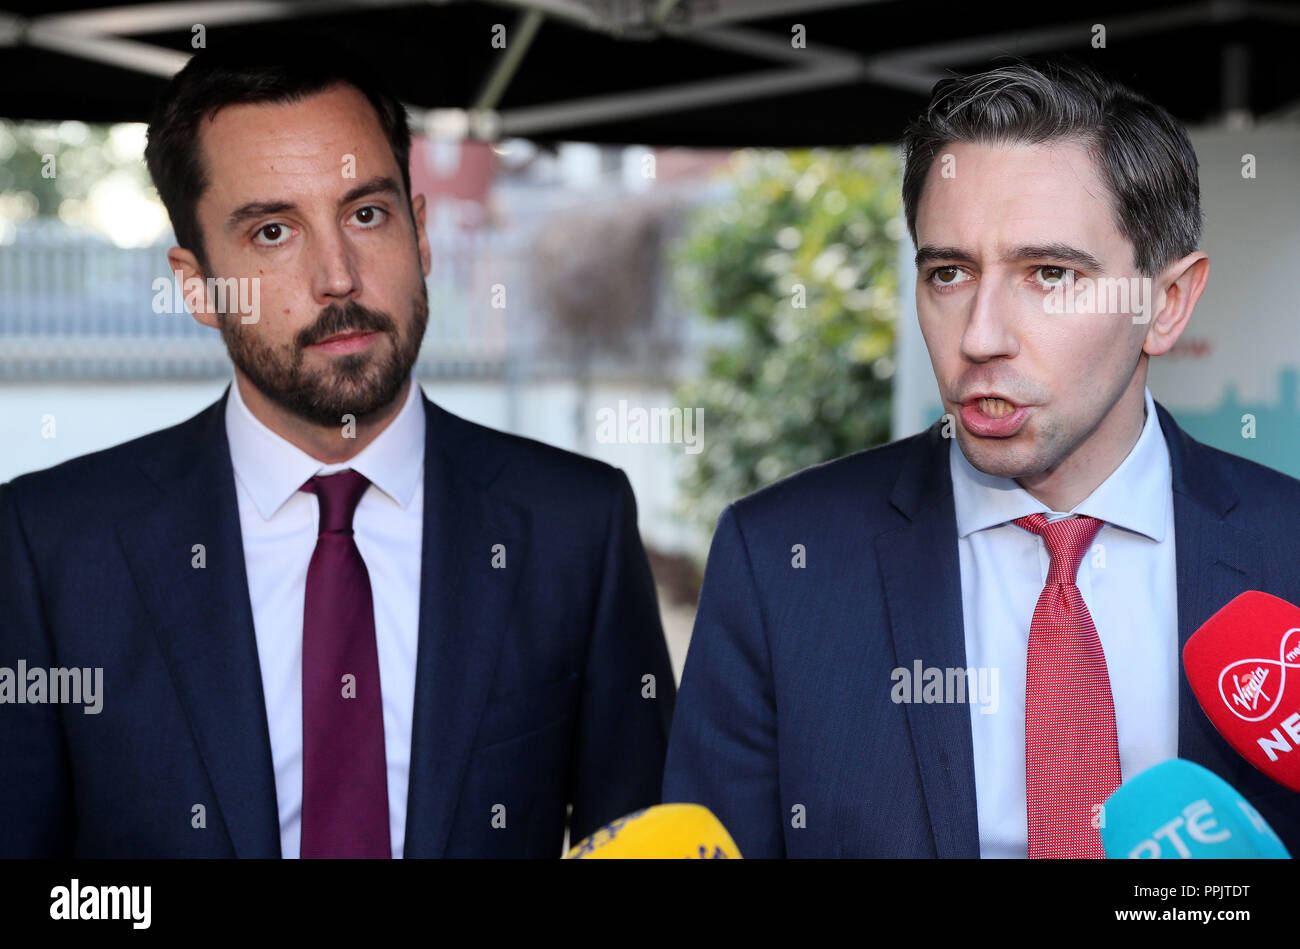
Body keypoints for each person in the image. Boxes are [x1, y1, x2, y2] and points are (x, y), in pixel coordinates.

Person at [0, 35, 675, 858]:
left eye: (366, 213)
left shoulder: (576, 523)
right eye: (274, 231)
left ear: (421, 235)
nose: (338, 275)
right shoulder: (52, 543)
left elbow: (645, 836)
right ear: (198, 285)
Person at [662, 58, 1300, 857]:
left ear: (1165, 304)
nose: (979, 336)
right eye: (950, 273)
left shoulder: (1289, 550)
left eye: (1049, 273)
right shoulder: (779, 564)